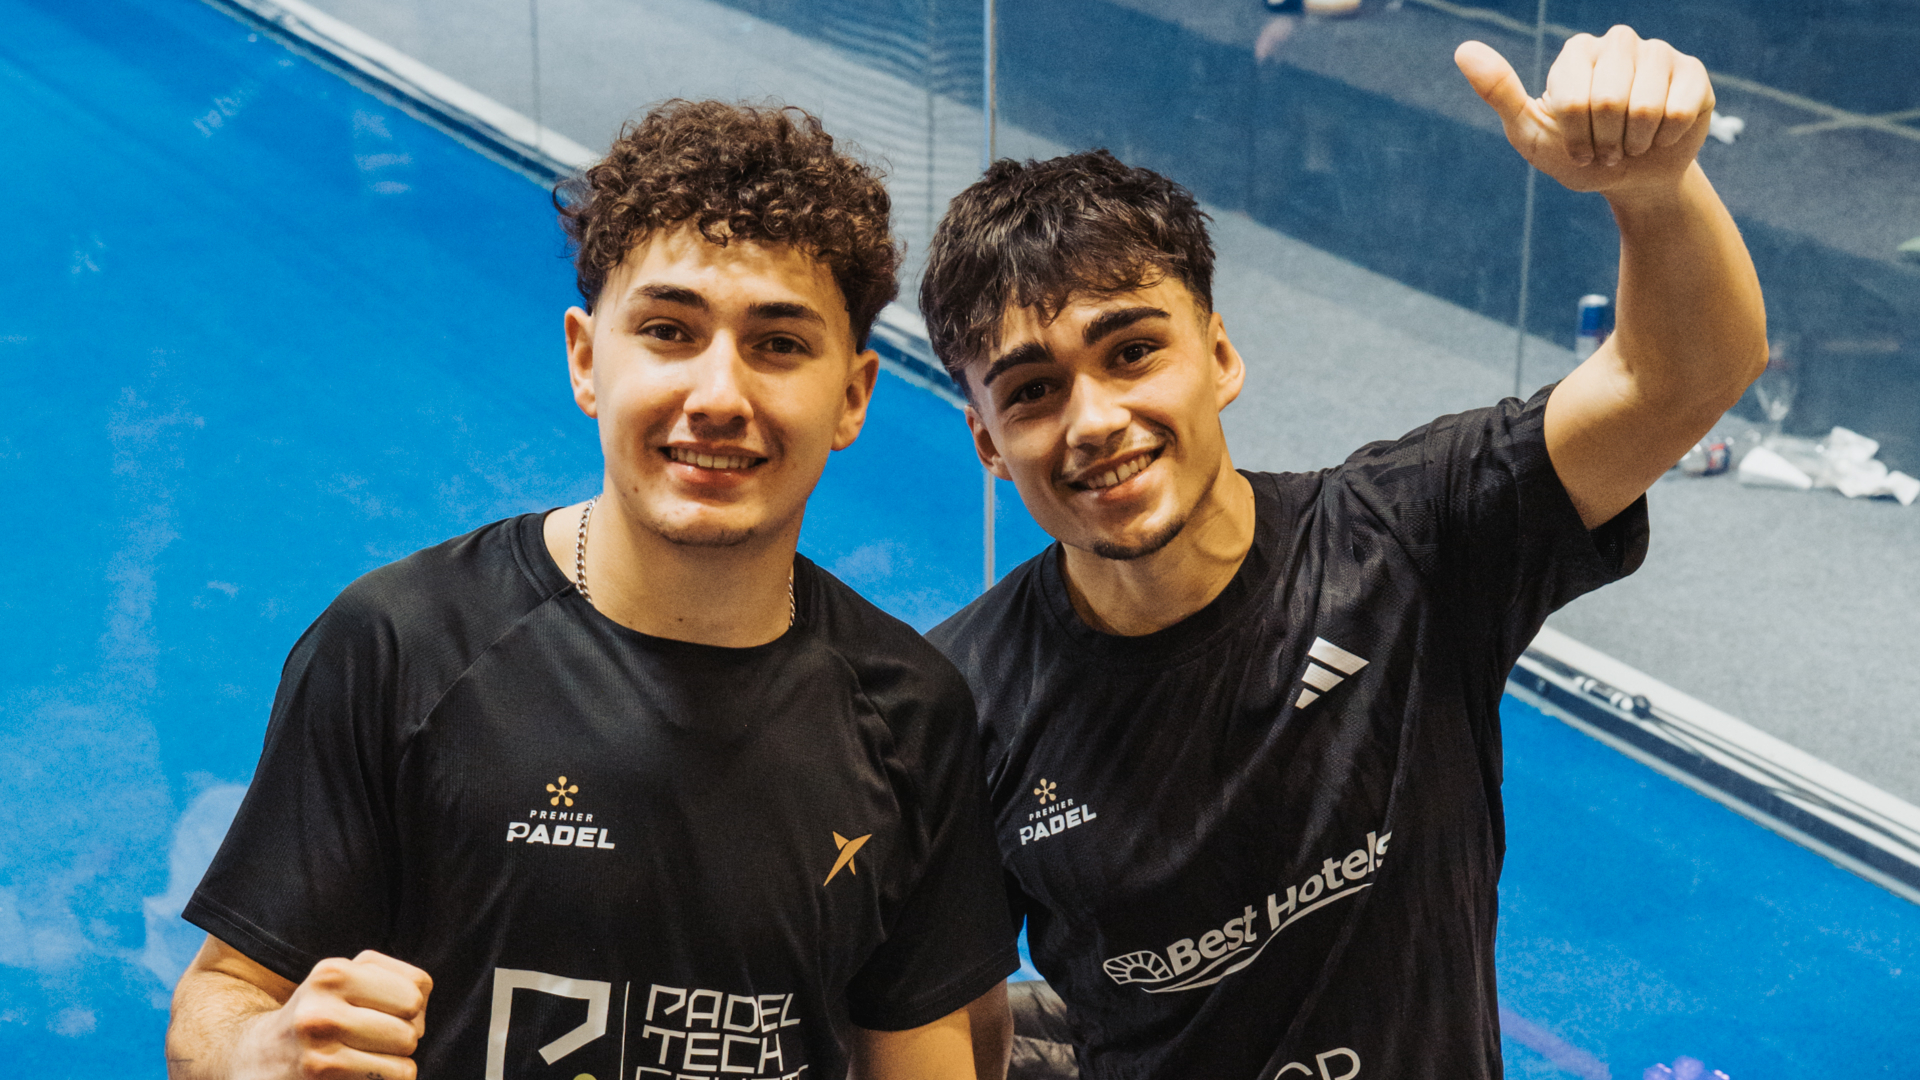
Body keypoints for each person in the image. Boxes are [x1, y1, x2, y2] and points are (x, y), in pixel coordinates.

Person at [921, 26, 1765, 1080]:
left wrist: (1655, 188)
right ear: (987, 443)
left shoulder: (1410, 541)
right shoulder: (950, 704)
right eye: (1033, 391)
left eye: (1133, 351)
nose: (1094, 420)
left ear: (1220, 357)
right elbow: (944, 1018)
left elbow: (1676, 378)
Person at [166, 100, 1018, 1080]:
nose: (718, 396)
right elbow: (216, 1002)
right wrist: (262, 1050)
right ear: (585, 359)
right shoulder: (402, 647)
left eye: (779, 344)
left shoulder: (909, 711)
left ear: (854, 396)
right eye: (668, 331)